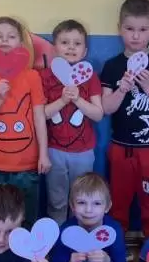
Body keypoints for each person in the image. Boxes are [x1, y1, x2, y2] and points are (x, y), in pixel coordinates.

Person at [100, 0, 149, 261]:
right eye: (130, 29)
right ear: (119, 29)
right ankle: (116, 248)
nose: (136, 36)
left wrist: (148, 86)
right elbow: (106, 108)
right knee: (118, 202)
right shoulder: (112, 66)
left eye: (142, 29)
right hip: (121, 148)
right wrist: (122, 89)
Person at [0, 17, 51, 228]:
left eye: (11, 36)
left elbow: (39, 116)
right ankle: (1, 246)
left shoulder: (32, 76)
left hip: (27, 163)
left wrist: (43, 154)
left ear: (21, 44)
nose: (4, 40)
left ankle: (26, 249)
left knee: (27, 215)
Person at [41, 20, 103, 224]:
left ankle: (80, 233)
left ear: (85, 51)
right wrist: (62, 100)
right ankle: (58, 234)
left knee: (82, 198)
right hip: (54, 149)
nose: (70, 47)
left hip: (83, 151)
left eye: (77, 43)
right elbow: (41, 114)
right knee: (56, 199)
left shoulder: (90, 77)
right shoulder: (45, 77)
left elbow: (98, 114)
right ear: (54, 48)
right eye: (65, 42)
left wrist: (77, 99)